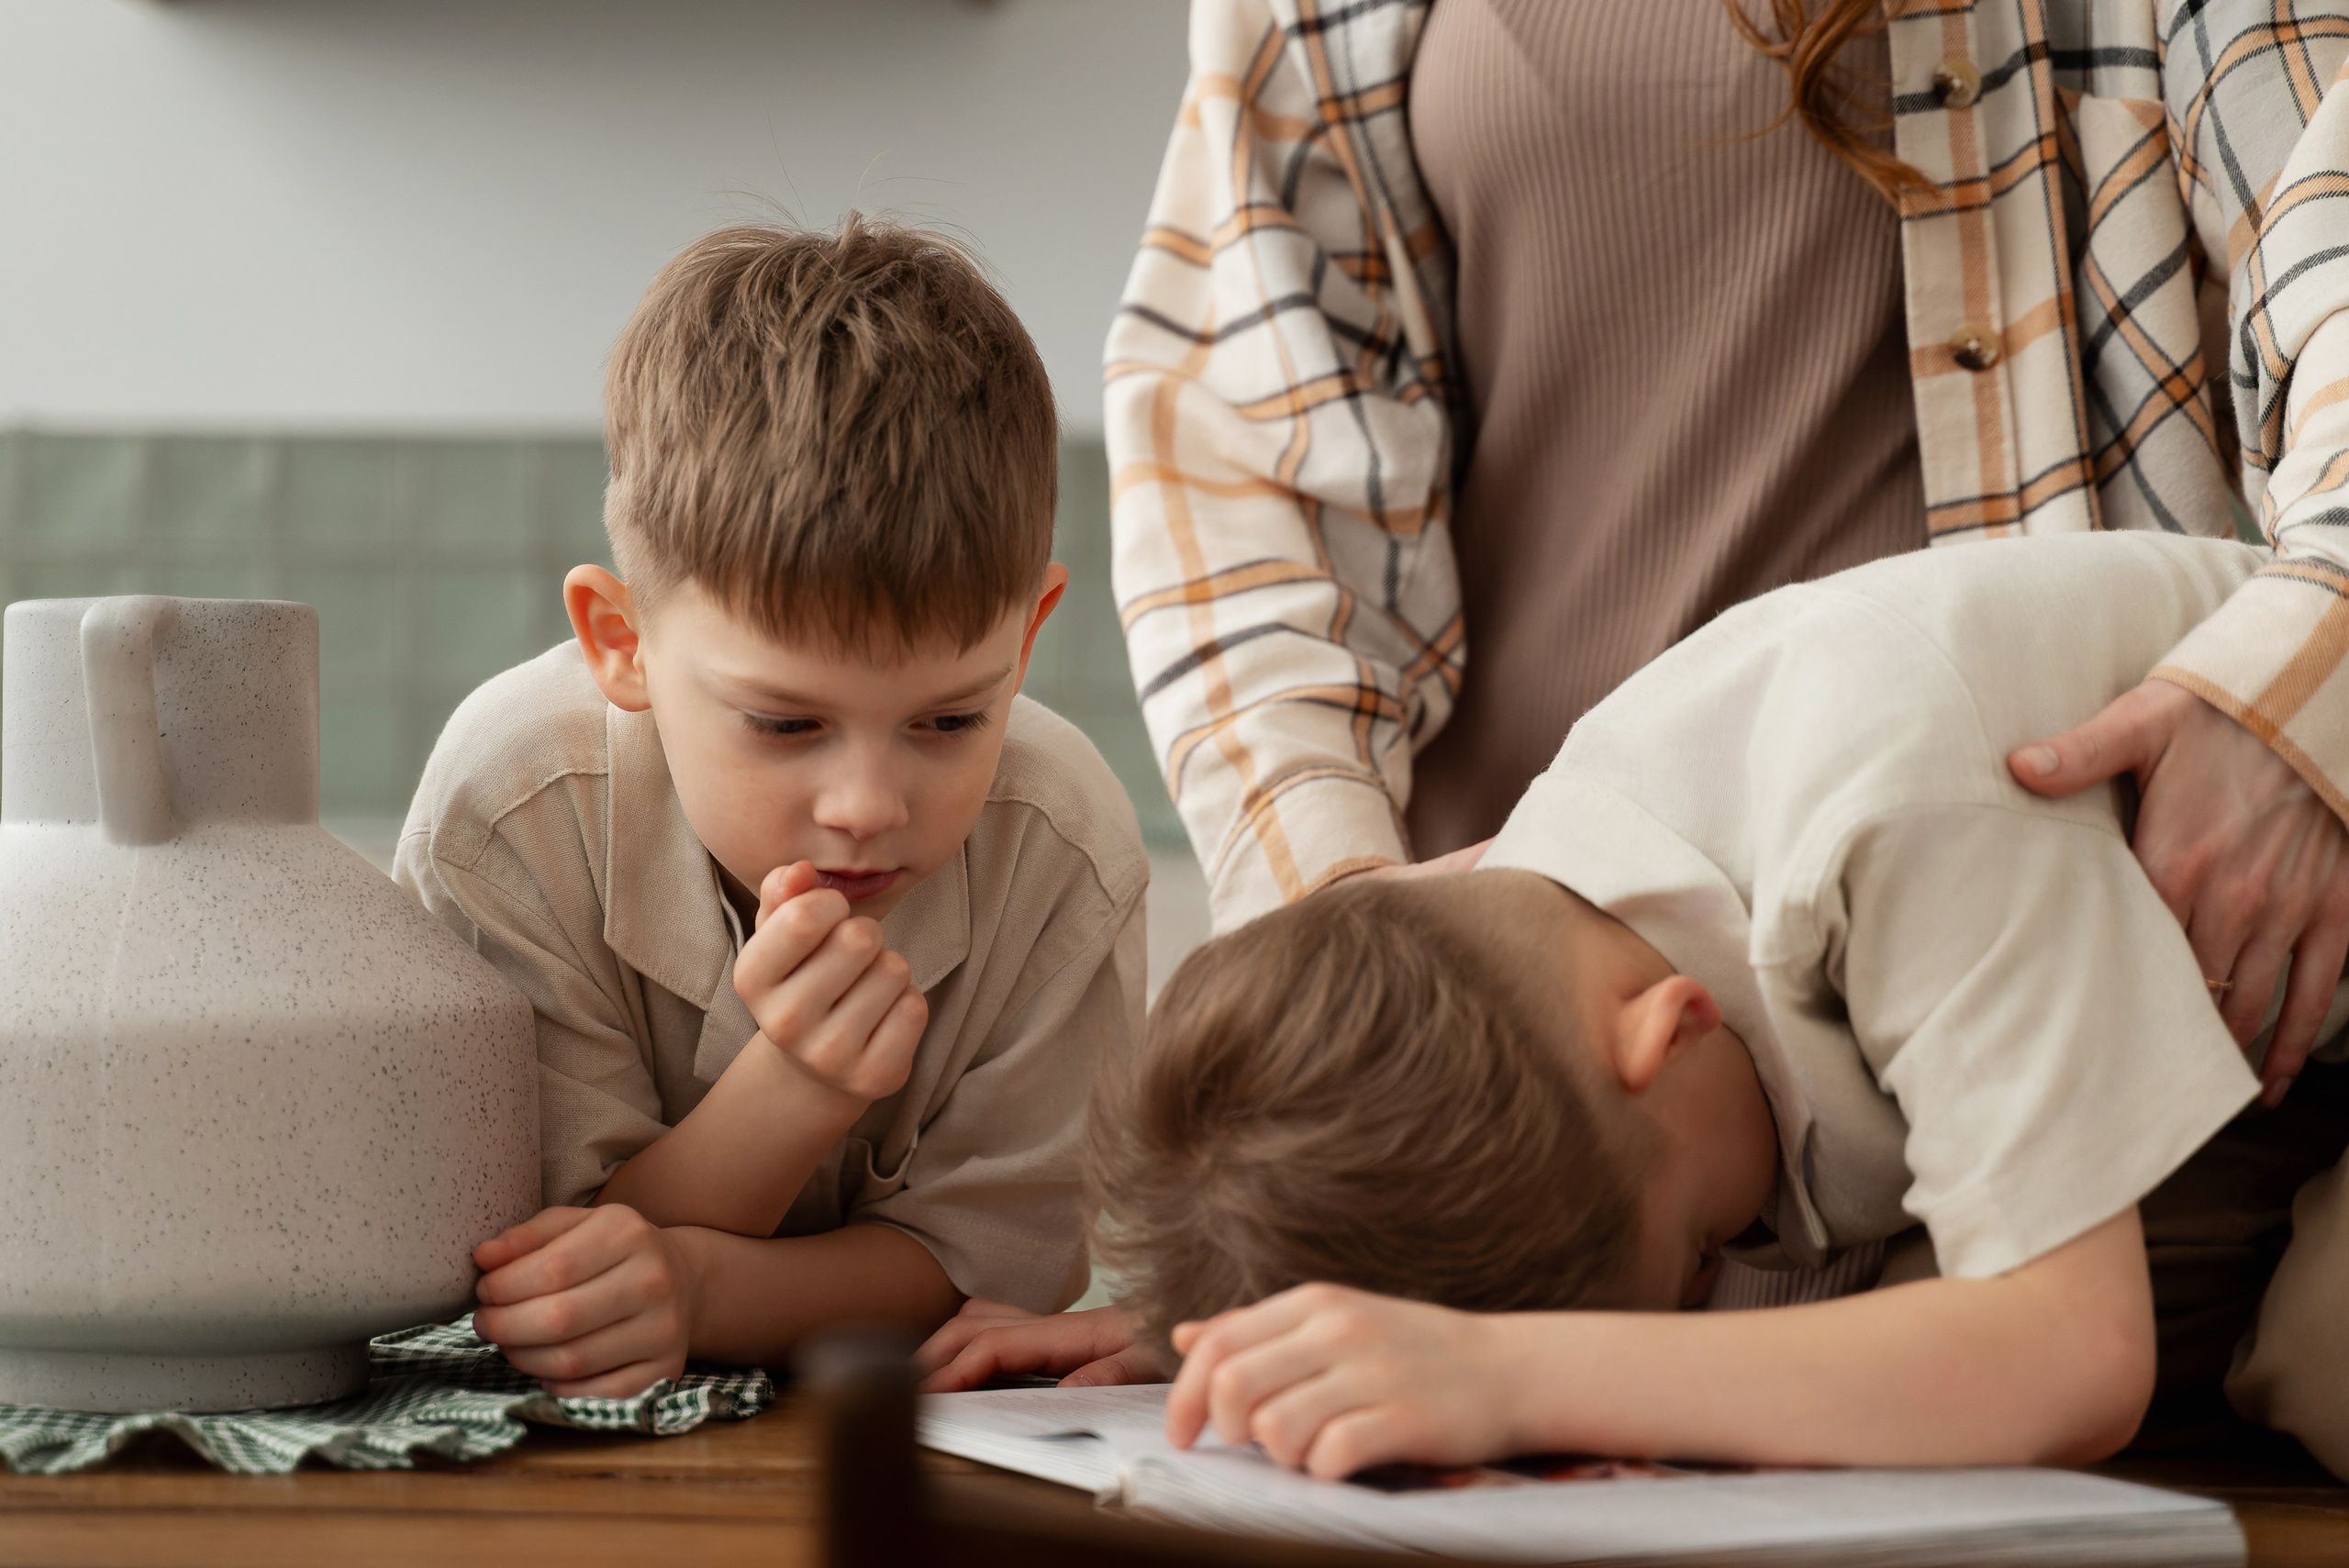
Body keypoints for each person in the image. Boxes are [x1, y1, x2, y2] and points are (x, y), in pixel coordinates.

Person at [1107, 0, 2349, 1112]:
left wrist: (2299, 693)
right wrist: (1332, 936)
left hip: (1992, 1003)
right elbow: (1237, 453)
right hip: (1520, 1052)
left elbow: (2329, 243)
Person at [919, 532, 2349, 1476]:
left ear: (1669, 1026)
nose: (1732, 1258)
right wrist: (1223, 1318)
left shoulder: (1892, 805)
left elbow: (2070, 1356)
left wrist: (1504, 1374)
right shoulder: (1541, 900)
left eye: (1698, 1249)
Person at [395, 219, 1148, 1396]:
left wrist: (698, 1292)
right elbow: (536, 1259)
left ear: (1029, 636)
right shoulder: (512, 812)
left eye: (951, 720)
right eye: (785, 724)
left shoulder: (1066, 850)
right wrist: (795, 1090)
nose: (866, 806)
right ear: (621, 642)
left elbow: (987, 1273)